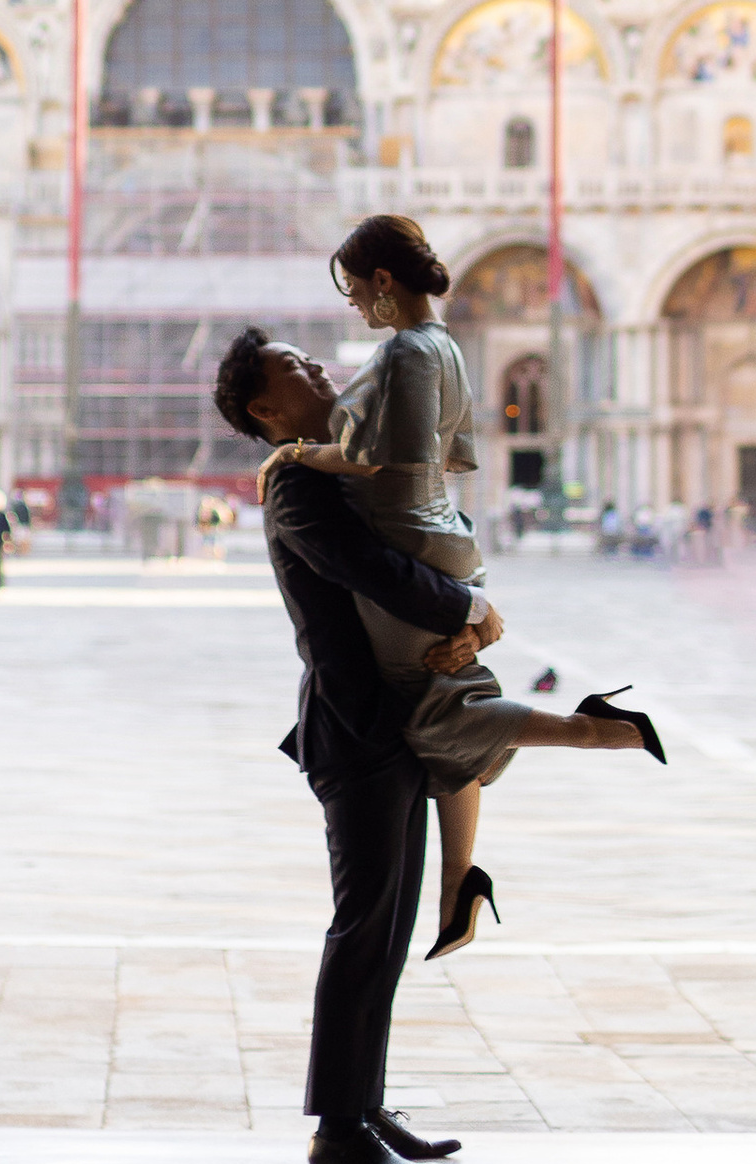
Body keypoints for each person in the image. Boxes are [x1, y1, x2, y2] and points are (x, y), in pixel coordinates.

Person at [241, 207, 663, 960]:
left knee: (431, 714)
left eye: (352, 293)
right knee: (449, 695)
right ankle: (459, 882)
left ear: (380, 281)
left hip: (415, 542)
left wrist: (303, 455)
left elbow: (375, 458)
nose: (350, 311)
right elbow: (453, 452)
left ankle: (597, 729)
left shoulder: (403, 352)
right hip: (447, 530)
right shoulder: (447, 345)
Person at [213, 328, 504, 1164]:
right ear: (268, 411)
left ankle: (365, 1103)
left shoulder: (327, 464)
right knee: (362, 928)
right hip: (356, 728)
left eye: (311, 357)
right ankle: (338, 1131)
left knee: (387, 926)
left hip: (388, 722)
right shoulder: (298, 486)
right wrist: (469, 604)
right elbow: (369, 567)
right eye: (296, 370)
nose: (317, 368)